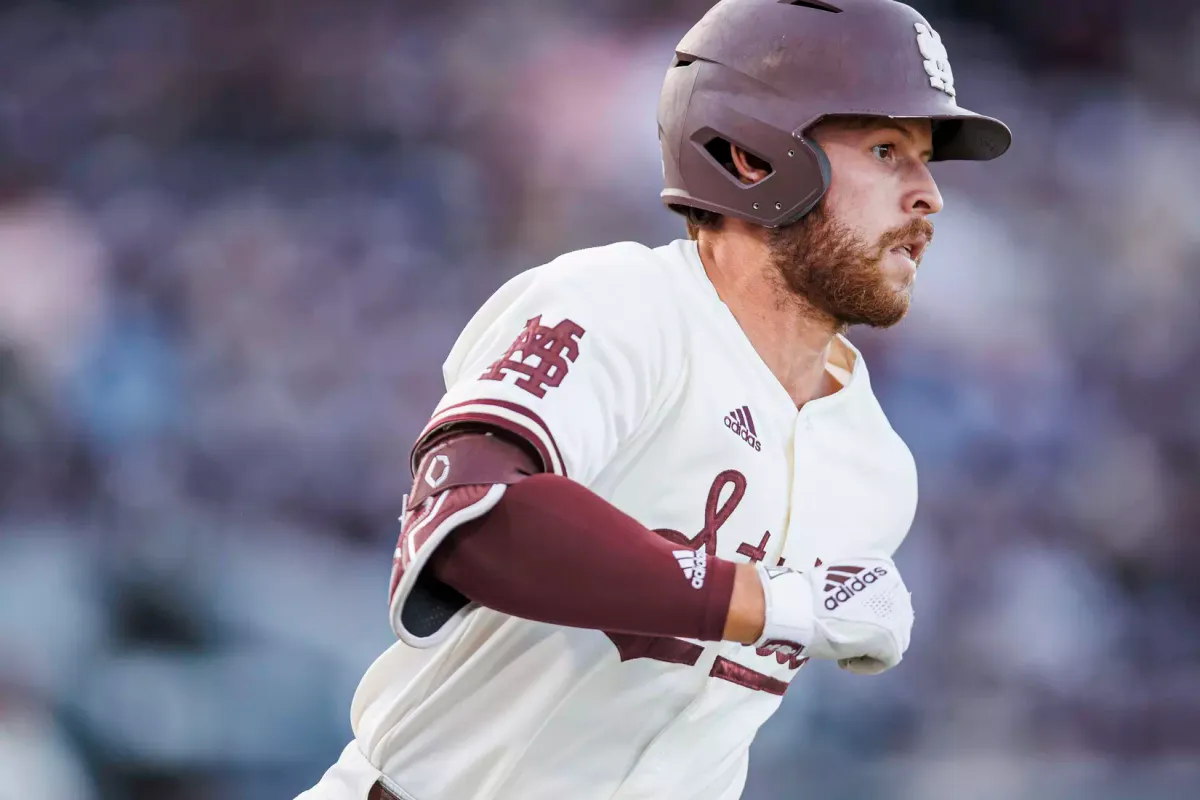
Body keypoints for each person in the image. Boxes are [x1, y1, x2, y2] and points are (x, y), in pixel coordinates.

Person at [298, 0, 1010, 798]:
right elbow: (472, 518)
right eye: (887, 150)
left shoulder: (876, 464)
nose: (928, 197)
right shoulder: (619, 304)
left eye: (926, 161)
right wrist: (775, 602)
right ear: (750, 156)